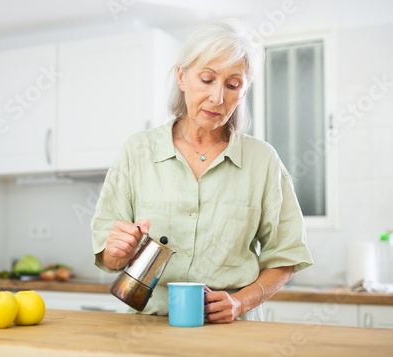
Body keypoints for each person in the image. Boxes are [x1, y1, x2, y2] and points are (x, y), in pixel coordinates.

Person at [91, 18, 313, 323]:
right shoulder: (137, 151)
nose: (218, 98)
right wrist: (117, 250)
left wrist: (240, 302)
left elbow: (286, 256)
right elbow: (108, 255)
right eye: (207, 79)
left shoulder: (263, 161)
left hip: (232, 333)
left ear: (243, 92)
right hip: (147, 328)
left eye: (232, 85)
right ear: (182, 78)